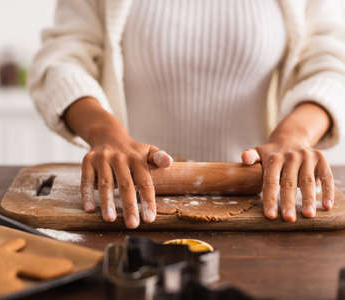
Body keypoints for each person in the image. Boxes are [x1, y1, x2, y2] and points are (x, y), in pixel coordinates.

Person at [28, 0, 345, 229]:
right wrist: (107, 135)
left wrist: (294, 137)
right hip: (130, 207)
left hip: (263, 206)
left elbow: (331, 63)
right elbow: (63, 61)